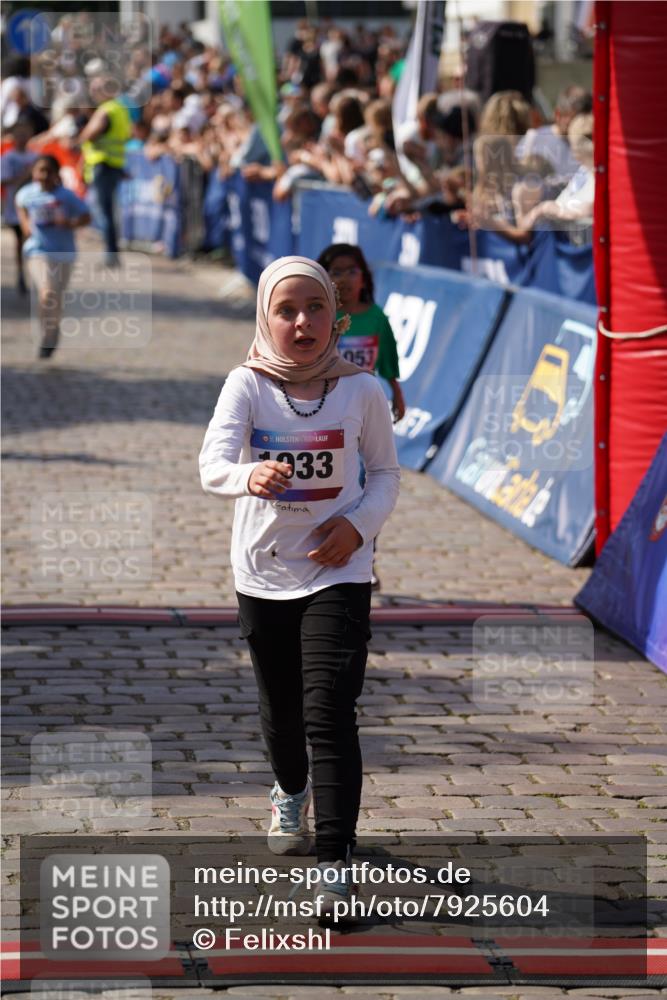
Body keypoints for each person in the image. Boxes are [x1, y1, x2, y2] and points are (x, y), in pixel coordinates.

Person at [199, 256, 400, 923]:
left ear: (335, 318)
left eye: (314, 308)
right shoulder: (246, 385)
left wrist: (358, 527)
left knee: (329, 714)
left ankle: (334, 868)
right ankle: (290, 791)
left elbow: (384, 473)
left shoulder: (361, 391)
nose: (301, 322)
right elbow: (211, 464)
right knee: (282, 717)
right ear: (265, 317)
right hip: (262, 572)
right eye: (286, 310)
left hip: (338, 570)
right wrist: (248, 476)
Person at [317, 243, 405, 592]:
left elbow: (388, 360)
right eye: (336, 271)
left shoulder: (376, 318)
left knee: (367, 489)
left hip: (365, 415)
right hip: (326, 415)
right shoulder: (321, 316)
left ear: (364, 276)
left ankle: (365, 558)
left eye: (351, 270)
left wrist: (396, 391)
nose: (344, 278)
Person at [16, 155, 91, 359]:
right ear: (34, 173)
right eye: (40, 171)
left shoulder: (66, 196)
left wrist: (69, 224)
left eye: (49, 171)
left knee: (56, 296)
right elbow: (21, 207)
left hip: (64, 252)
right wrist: (25, 226)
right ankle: (47, 335)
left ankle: (53, 328)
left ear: (57, 174)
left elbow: (86, 216)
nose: (44, 176)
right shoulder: (26, 194)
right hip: (37, 251)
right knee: (47, 292)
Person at [75, 75, 132, 266]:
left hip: (103, 164)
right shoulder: (121, 109)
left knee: (103, 212)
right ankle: (112, 252)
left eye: (95, 89)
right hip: (114, 164)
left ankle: (111, 254)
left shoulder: (106, 110)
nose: (93, 93)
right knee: (108, 210)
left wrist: (82, 134)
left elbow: (89, 134)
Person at [0, 117, 38, 295]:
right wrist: (25, 175)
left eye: (25, 134)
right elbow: (5, 180)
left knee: (33, 241)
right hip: (14, 206)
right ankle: (21, 274)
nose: (22, 137)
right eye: (19, 134)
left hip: (34, 208)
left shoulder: (35, 156)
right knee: (20, 242)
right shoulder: (8, 157)